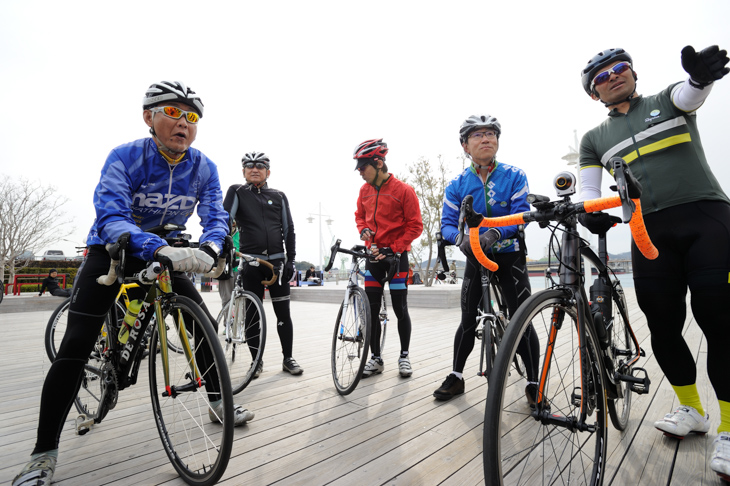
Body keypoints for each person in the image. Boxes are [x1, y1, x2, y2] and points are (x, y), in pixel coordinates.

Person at [12, 81, 255, 486]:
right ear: (149, 117)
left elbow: (215, 217)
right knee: (75, 344)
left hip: (166, 255)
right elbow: (110, 214)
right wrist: (153, 245)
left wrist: (211, 249)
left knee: (202, 327)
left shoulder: (204, 167)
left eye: (192, 117)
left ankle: (216, 401)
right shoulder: (125, 157)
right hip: (112, 252)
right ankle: (42, 454)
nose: (184, 124)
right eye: (173, 113)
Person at [578, 46, 730, 479]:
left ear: (634, 73)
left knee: (720, 320)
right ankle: (692, 410)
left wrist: (701, 78)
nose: (613, 76)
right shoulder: (594, 139)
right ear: (594, 94)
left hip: (706, 219)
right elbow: (590, 190)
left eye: (620, 68)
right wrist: (590, 209)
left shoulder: (666, 100)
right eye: (602, 76)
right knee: (662, 326)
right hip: (648, 234)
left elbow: (690, 95)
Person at [433, 115, 539, 403]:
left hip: (510, 257)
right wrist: (460, 239)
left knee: (522, 320)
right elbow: (447, 224)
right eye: (478, 135)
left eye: (491, 134)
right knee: (468, 319)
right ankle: (456, 376)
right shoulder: (457, 183)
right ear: (465, 146)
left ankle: (533, 382)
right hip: (475, 256)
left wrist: (494, 233)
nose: (486, 139)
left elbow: (522, 215)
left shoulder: (515, 175)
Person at [223, 151, 303, 376]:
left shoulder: (279, 195)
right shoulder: (237, 191)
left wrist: (291, 259)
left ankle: (288, 358)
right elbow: (225, 219)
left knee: (283, 314)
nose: (254, 169)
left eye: (260, 166)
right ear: (243, 171)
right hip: (251, 263)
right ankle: (256, 361)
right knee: (252, 315)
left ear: (268, 171)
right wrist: (224, 242)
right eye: (249, 166)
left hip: (277, 263)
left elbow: (288, 229)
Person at [354, 138, 423, 378]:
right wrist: (362, 229)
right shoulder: (364, 191)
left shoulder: (404, 191)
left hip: (396, 259)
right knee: (371, 310)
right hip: (373, 257)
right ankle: (375, 359)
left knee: (400, 308)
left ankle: (404, 356)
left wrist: (395, 248)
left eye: (364, 167)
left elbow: (416, 226)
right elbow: (359, 217)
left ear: (379, 162)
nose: (361, 173)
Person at [218, 222, 240, 309]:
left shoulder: (241, 233)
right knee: (226, 298)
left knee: (241, 298)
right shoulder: (220, 232)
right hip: (225, 270)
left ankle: (240, 321)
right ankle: (228, 321)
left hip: (239, 269)